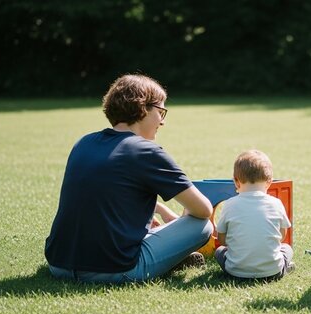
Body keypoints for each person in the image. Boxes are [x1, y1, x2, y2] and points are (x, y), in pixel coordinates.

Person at [45, 74, 214, 283]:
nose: (163, 121)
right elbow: (203, 210)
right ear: (143, 107)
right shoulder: (146, 151)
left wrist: (158, 209)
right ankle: (168, 260)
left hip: (58, 264)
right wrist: (175, 222)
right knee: (202, 225)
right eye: (161, 111)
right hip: (115, 269)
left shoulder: (84, 143)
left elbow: (104, 193)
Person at [214, 150, 294, 280]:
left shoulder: (229, 204)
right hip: (272, 271)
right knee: (286, 248)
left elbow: (221, 240)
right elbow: (282, 236)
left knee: (219, 252)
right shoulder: (276, 203)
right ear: (269, 181)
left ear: (236, 181)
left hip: (235, 272)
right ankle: (284, 267)